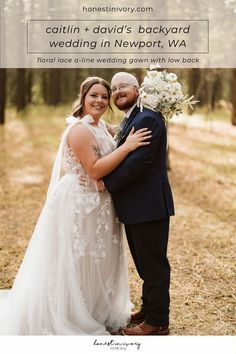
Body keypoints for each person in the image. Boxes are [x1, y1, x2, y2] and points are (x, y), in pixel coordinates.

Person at [0, 76, 151, 335]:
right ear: (83, 98)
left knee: (97, 258)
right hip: (80, 201)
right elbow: (94, 169)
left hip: (101, 201)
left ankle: (93, 309)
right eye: (94, 95)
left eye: (105, 97)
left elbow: (111, 148)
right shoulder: (79, 130)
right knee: (79, 257)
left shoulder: (103, 126)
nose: (100, 101)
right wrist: (126, 148)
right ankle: (72, 313)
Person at [103, 72, 175, 335]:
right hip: (137, 207)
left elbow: (138, 163)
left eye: (124, 86)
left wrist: (106, 184)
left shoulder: (147, 118)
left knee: (154, 265)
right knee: (145, 264)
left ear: (138, 90)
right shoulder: (133, 116)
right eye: (114, 88)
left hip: (149, 206)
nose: (118, 91)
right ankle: (148, 309)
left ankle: (157, 321)